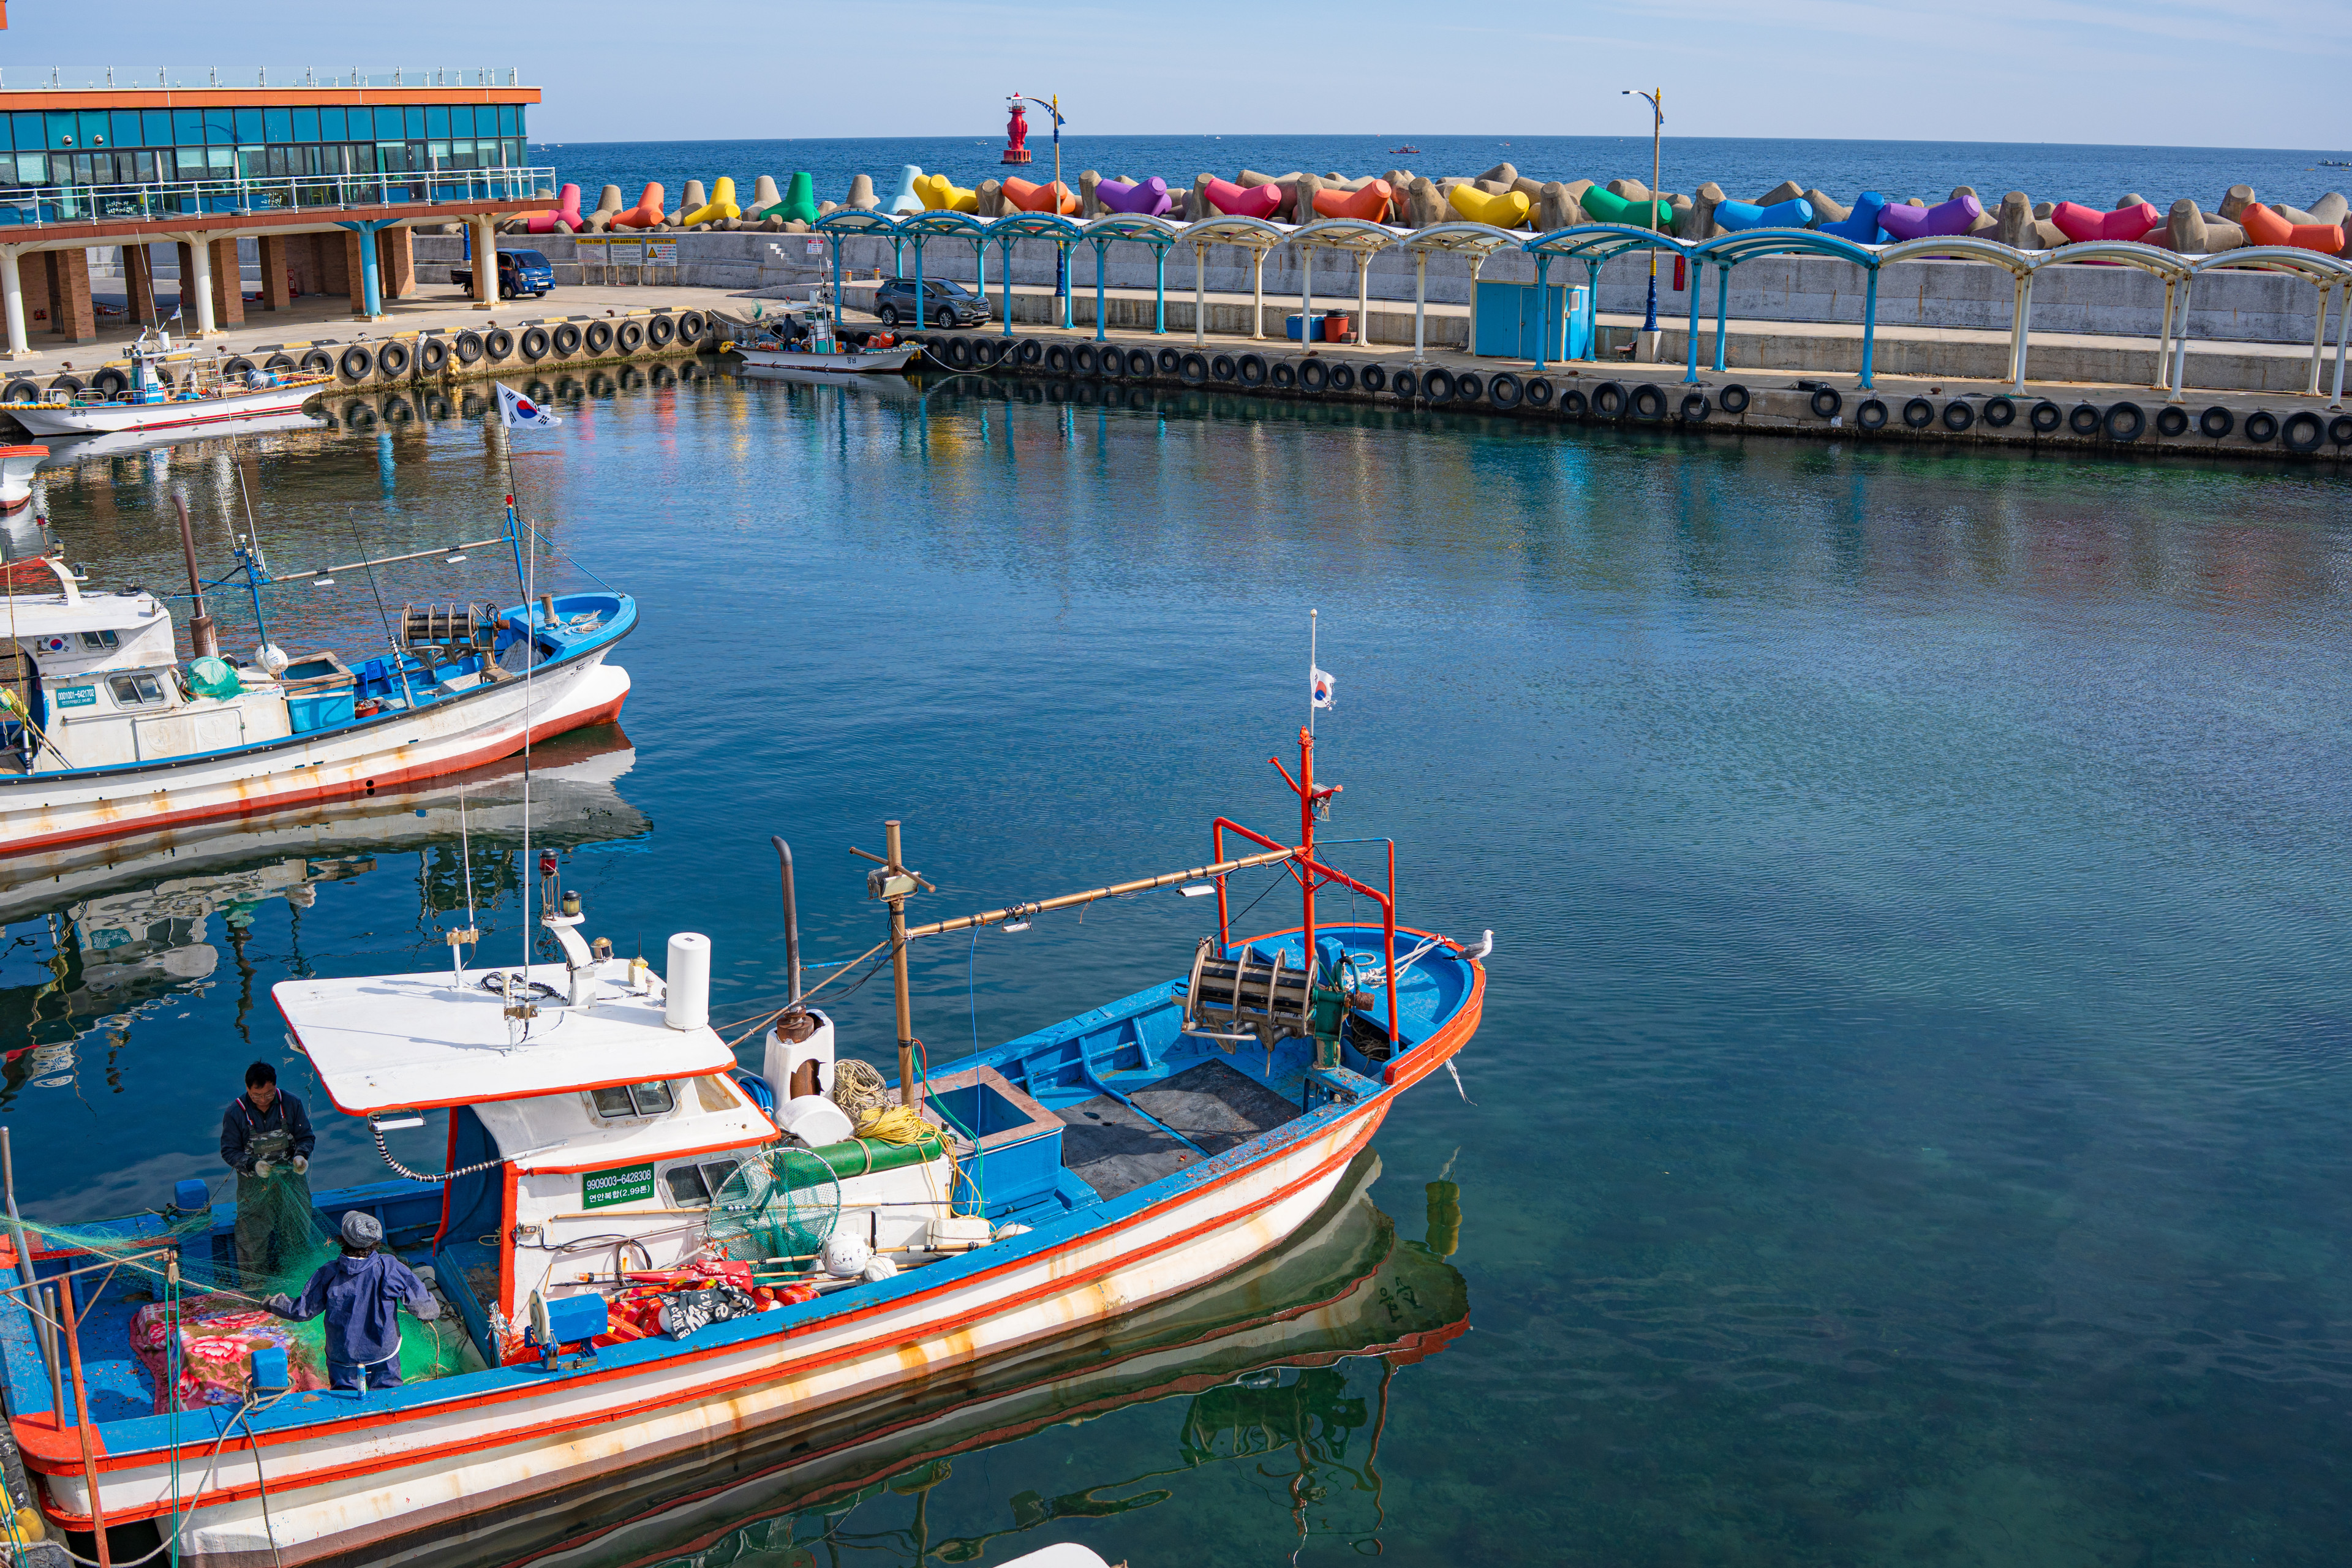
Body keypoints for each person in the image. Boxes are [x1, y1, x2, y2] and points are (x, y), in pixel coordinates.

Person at [266, 1211, 440, 1392]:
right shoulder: (389, 1266)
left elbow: (302, 1310)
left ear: (343, 1239)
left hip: (343, 1357)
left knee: (345, 1398)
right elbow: (421, 1300)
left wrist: (273, 1303)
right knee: (390, 1394)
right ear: (375, 1241)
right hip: (383, 1353)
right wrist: (428, 1314)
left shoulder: (328, 1272)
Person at [219, 1061, 316, 1289]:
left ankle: (297, 1284)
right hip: (254, 1186)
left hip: (291, 1181)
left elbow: (306, 1137)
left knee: (296, 1231)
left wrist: (301, 1156)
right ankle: (255, 1289)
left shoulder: (291, 1103)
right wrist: (253, 1165)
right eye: (257, 1095)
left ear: (275, 1086)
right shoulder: (235, 1112)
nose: (263, 1100)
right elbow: (229, 1151)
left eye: (268, 1094)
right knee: (252, 1238)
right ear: (247, 1089)